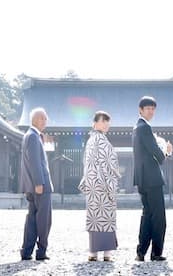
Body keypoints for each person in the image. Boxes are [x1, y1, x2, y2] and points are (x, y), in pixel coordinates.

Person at [132, 95, 172, 261]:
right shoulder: (145, 128)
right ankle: (156, 252)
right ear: (140, 110)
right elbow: (157, 154)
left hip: (142, 178)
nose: (151, 111)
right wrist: (167, 151)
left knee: (147, 215)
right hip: (151, 179)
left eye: (153, 108)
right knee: (158, 217)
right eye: (147, 108)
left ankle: (141, 251)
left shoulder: (136, 128)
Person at [78, 110, 120, 261]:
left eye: (108, 121)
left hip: (92, 184)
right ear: (95, 123)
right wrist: (111, 181)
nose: (107, 124)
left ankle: (93, 252)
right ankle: (107, 252)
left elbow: (86, 164)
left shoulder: (90, 140)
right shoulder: (101, 140)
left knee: (94, 217)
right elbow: (108, 163)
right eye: (104, 121)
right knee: (106, 217)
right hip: (103, 184)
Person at [19, 107, 53, 261]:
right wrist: (39, 183)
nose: (45, 122)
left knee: (32, 219)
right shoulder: (33, 136)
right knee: (44, 220)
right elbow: (34, 163)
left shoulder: (30, 135)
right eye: (43, 118)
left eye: (46, 119)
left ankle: (26, 251)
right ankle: (41, 252)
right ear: (36, 119)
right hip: (40, 186)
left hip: (32, 186)